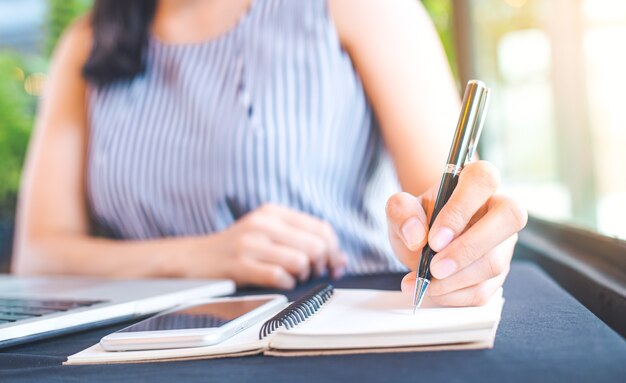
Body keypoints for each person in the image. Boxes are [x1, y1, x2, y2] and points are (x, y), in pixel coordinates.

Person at [12, 0, 527, 307]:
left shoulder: (357, 8)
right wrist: (201, 256)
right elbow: (37, 258)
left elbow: (451, 209)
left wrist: (461, 244)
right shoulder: (87, 44)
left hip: (333, 335)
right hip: (146, 353)